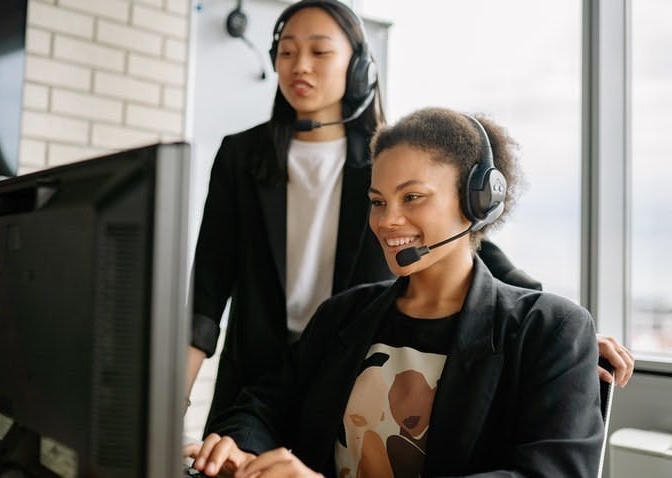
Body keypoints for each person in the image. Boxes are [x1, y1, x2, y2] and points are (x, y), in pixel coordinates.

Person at [187, 0, 634, 429]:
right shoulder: (241, 155)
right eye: (286, 52)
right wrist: (175, 397)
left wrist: (553, 336)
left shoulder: (387, 159)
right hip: (259, 377)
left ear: (361, 67)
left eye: (320, 51)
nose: (300, 65)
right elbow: (207, 289)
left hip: (349, 366)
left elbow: (466, 241)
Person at [185, 107, 605, 477]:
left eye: (413, 197)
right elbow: (262, 406)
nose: (388, 221)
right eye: (378, 201)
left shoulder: (549, 331)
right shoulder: (343, 315)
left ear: (476, 202)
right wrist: (239, 446)